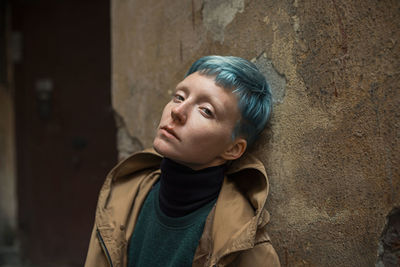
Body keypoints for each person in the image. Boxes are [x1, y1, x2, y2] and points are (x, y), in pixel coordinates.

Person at [84, 55, 280, 267]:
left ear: (233, 149)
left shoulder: (245, 247)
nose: (177, 111)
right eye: (179, 97)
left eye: (206, 111)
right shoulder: (121, 196)